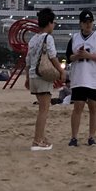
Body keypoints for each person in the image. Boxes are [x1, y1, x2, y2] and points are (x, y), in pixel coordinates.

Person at [25, 8, 66, 150]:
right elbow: (53, 56)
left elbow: (28, 61)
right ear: (49, 23)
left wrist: (27, 78)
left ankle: (41, 137)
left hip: (32, 76)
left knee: (42, 108)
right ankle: (37, 141)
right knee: (44, 110)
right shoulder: (48, 38)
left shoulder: (33, 39)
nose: (54, 25)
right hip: (42, 76)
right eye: (53, 23)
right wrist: (61, 71)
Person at [66, 10, 96, 146]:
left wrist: (88, 56)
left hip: (94, 79)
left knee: (93, 107)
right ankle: (74, 137)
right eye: (85, 22)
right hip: (79, 78)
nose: (88, 24)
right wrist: (77, 55)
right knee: (78, 107)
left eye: (90, 22)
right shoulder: (74, 38)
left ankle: (91, 137)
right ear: (81, 24)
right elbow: (68, 57)